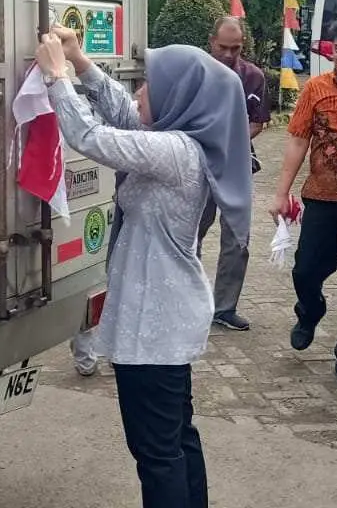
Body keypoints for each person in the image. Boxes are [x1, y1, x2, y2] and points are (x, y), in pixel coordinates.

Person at [36, 25, 252, 508]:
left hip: (155, 327)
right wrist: (80, 62)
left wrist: (57, 78)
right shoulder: (180, 142)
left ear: (178, 98)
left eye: (149, 85)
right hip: (165, 320)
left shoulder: (176, 152)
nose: (138, 92)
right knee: (176, 438)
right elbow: (124, 116)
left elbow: (93, 137)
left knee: (156, 453)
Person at [273, 17, 337, 389]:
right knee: (305, 270)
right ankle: (310, 310)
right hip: (321, 195)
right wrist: (281, 192)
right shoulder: (316, 88)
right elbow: (298, 139)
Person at [197, 16, 269, 331]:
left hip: (237, 166)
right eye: (223, 47)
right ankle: (188, 299)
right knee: (190, 233)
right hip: (199, 164)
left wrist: (231, 140)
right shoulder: (196, 72)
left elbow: (258, 121)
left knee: (237, 237)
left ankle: (225, 308)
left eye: (235, 48)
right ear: (211, 41)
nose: (228, 54)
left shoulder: (253, 77)